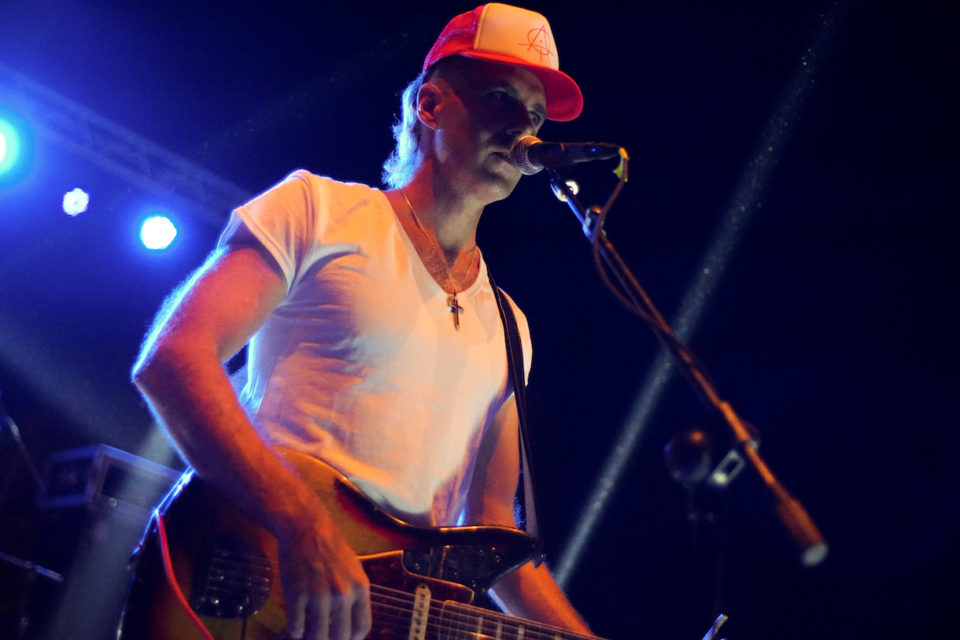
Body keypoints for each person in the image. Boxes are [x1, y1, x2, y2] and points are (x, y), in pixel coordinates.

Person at [131, 4, 592, 640]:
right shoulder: (318, 211)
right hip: (244, 592)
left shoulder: (510, 328)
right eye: (500, 99)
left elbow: (492, 527)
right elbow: (173, 360)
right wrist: (301, 523)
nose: (523, 130)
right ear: (431, 105)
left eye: (536, 116)